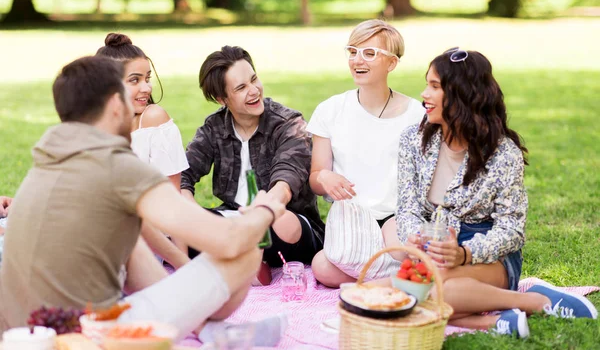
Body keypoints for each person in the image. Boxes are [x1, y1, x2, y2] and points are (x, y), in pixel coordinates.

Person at [0, 56, 287, 343]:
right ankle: (206, 327)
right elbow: (229, 241)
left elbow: (138, 236)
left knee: (130, 236)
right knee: (247, 248)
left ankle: (203, 329)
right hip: (89, 339)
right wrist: (263, 212)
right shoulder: (116, 166)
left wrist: (183, 271)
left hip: (22, 337)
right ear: (115, 104)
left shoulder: (48, 161)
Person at [394, 47, 597, 338]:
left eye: (435, 87)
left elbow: (512, 230)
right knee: (406, 292)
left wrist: (464, 254)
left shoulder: (503, 154)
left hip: (487, 254)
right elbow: (407, 206)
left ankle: (533, 300)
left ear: (462, 95)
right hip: (433, 249)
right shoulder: (413, 140)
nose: (424, 94)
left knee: (421, 292)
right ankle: (496, 321)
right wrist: (414, 237)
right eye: (427, 84)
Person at [180, 46, 325, 282]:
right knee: (167, 226)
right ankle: (249, 263)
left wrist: (260, 216)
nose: (254, 90)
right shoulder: (214, 128)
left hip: (283, 220)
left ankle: (234, 261)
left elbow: (286, 182)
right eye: (241, 88)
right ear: (222, 99)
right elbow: (183, 173)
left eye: (254, 79)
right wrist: (190, 214)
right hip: (233, 221)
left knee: (282, 223)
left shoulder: (289, 123)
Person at [307, 19, 423, 287]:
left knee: (402, 249)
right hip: (352, 217)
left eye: (370, 53)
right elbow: (315, 177)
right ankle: (398, 278)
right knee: (322, 268)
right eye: (353, 51)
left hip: (395, 215)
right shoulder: (330, 110)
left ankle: (377, 277)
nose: (358, 60)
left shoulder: (416, 114)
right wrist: (325, 177)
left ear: (391, 63)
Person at [96, 33, 190, 269]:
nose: (146, 87)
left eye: (147, 78)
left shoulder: (153, 120)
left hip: (138, 238)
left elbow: (172, 199)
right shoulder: (98, 124)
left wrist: (184, 267)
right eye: (135, 80)